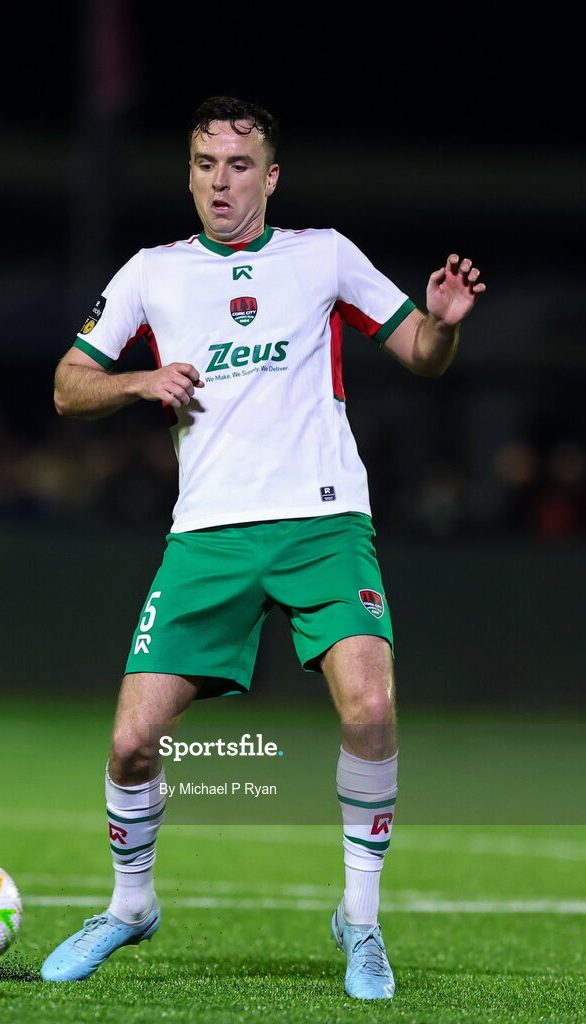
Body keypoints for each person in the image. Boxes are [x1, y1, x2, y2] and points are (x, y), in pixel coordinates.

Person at [41, 95, 486, 999]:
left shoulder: (320, 254)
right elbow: (65, 386)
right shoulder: (151, 273)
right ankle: (130, 907)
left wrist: (438, 322)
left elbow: (420, 354)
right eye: (205, 163)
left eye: (238, 165)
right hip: (207, 534)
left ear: (270, 176)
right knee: (131, 743)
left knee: (369, 709)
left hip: (324, 521)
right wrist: (138, 381)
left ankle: (359, 922)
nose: (220, 179)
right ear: (190, 172)